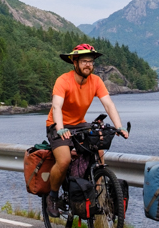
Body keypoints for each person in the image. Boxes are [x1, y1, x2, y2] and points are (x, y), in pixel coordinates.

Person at [45, 43, 128, 215]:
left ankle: (94, 194)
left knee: (99, 148)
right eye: (83, 61)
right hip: (57, 124)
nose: (88, 65)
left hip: (80, 123)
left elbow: (108, 105)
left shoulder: (96, 81)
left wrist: (119, 126)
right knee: (65, 160)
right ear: (74, 62)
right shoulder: (63, 81)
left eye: (90, 61)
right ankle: (52, 197)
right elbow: (57, 107)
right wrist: (60, 128)